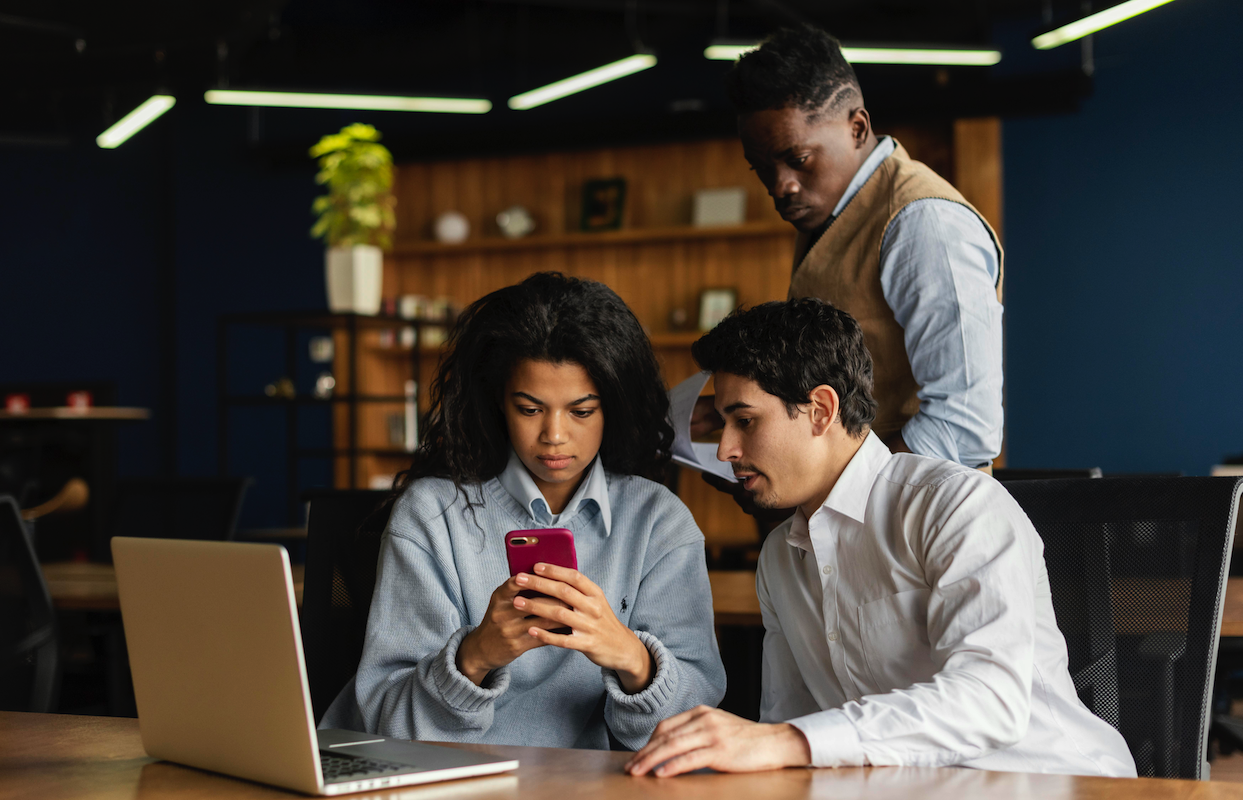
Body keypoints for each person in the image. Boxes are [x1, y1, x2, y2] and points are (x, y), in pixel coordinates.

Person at [626, 298, 1135, 777]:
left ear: (821, 410)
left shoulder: (956, 507)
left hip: (1051, 782)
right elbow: (791, 722)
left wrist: (783, 743)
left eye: (744, 421)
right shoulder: (780, 558)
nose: (725, 450)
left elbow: (991, 700)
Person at [320, 272, 726, 750]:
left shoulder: (659, 521)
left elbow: (692, 725)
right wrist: (474, 657)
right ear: (499, 403)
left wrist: (633, 658)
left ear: (612, 405)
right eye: (530, 409)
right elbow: (390, 727)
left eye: (581, 410)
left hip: (576, 787)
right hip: (438, 780)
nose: (554, 436)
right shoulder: (432, 515)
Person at [693, 25, 1004, 473]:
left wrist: (836, 487)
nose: (781, 185)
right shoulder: (828, 213)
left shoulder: (925, 223)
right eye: (762, 167)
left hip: (918, 524)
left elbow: (965, 426)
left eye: (798, 159)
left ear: (857, 127)